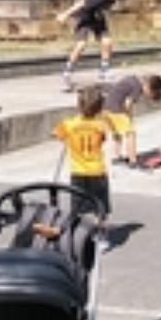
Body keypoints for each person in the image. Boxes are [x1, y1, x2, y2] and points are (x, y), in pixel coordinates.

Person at [53, 84, 113, 235]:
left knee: (77, 207)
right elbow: (103, 139)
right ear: (99, 108)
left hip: (78, 171)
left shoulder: (70, 124)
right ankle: (101, 235)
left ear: (78, 105)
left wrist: (63, 136)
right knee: (100, 207)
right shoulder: (100, 125)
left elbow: (56, 134)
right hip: (97, 171)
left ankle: (73, 233)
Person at [58, 0, 133, 89]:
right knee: (81, 45)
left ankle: (104, 71)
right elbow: (82, 3)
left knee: (107, 42)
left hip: (98, 19)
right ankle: (67, 72)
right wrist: (65, 14)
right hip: (85, 19)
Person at [101, 71, 161, 167]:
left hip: (105, 108)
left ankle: (116, 157)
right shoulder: (138, 88)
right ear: (148, 86)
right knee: (130, 133)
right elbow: (128, 103)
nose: (145, 96)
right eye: (149, 94)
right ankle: (133, 160)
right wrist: (129, 117)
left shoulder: (132, 79)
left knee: (117, 134)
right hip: (117, 110)